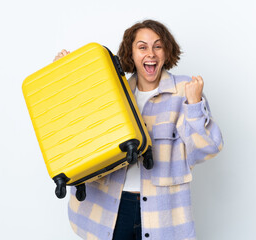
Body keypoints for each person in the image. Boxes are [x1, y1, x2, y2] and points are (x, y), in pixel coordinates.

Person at [54, 19, 223, 240]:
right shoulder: (112, 90)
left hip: (161, 212)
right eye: (142, 47)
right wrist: (64, 76)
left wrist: (194, 106)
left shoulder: (184, 91)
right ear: (131, 54)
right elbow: (79, 129)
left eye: (158, 46)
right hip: (111, 208)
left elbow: (206, 149)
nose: (150, 53)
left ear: (166, 52)